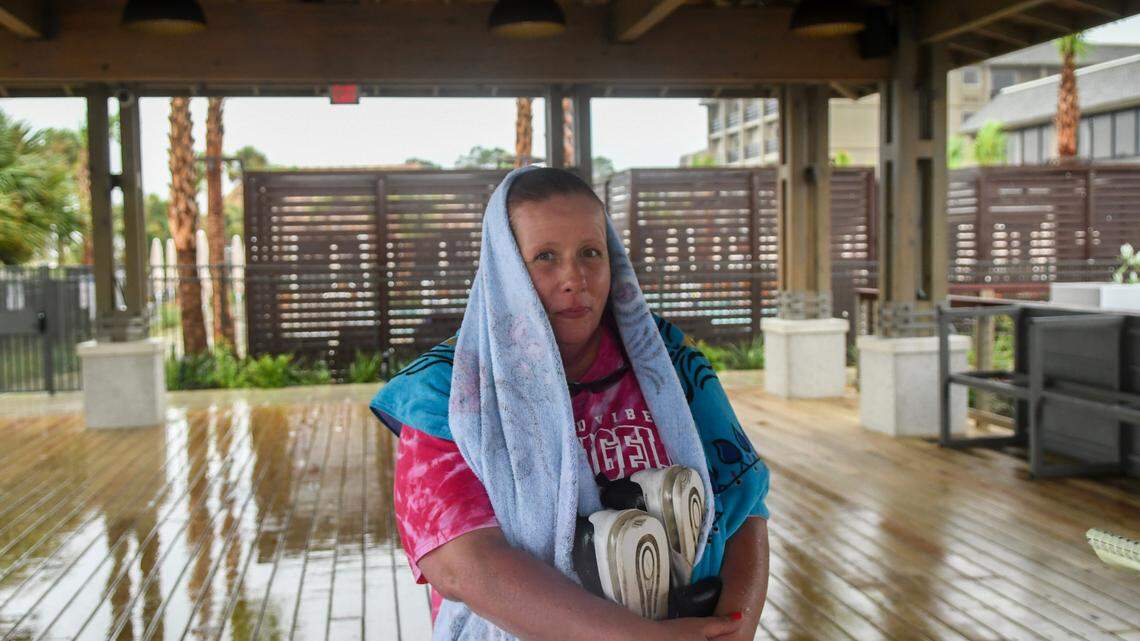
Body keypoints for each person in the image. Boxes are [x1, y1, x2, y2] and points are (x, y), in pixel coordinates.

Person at [371, 166, 770, 641]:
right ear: (505, 270)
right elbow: (465, 566)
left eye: (590, 253)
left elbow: (744, 504)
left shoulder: (665, 360)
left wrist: (732, 628)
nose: (574, 278)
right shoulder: (451, 390)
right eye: (545, 257)